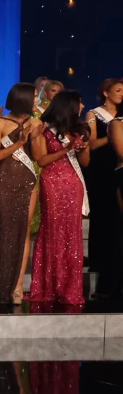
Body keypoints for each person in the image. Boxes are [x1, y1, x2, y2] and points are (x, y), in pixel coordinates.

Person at [30, 91, 90, 306]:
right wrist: (66, 148)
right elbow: (42, 160)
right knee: (52, 231)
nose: (82, 106)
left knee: (71, 235)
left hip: (73, 184)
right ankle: (48, 287)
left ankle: (69, 288)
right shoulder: (43, 130)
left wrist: (81, 148)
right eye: (79, 103)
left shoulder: (79, 130)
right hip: (52, 182)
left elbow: (85, 162)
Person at [0, 83, 43, 304]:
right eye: (34, 97)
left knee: (24, 231)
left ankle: (18, 285)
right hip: (5, 180)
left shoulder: (36, 122)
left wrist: (36, 135)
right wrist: (19, 141)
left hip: (27, 180)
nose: (37, 100)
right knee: (4, 230)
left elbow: (37, 157)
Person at [83, 78, 123, 300]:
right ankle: (100, 264)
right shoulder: (94, 114)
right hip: (101, 171)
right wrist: (114, 137)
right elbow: (91, 144)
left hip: (118, 171)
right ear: (106, 93)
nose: (121, 94)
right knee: (104, 218)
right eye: (118, 90)